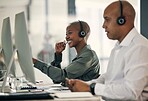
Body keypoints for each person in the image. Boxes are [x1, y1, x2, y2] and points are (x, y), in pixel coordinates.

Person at [66, 1, 148, 101]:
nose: (103, 25)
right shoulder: (119, 47)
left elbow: (130, 92)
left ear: (122, 20)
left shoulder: (139, 47)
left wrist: (91, 88)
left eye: (107, 20)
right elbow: (109, 77)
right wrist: (85, 85)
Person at [33, 20, 100, 85]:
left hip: (84, 95)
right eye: (66, 34)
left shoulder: (88, 56)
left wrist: (35, 62)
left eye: (70, 33)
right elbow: (57, 80)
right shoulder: (80, 56)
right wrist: (58, 55)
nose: (66, 37)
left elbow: (61, 76)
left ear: (82, 34)